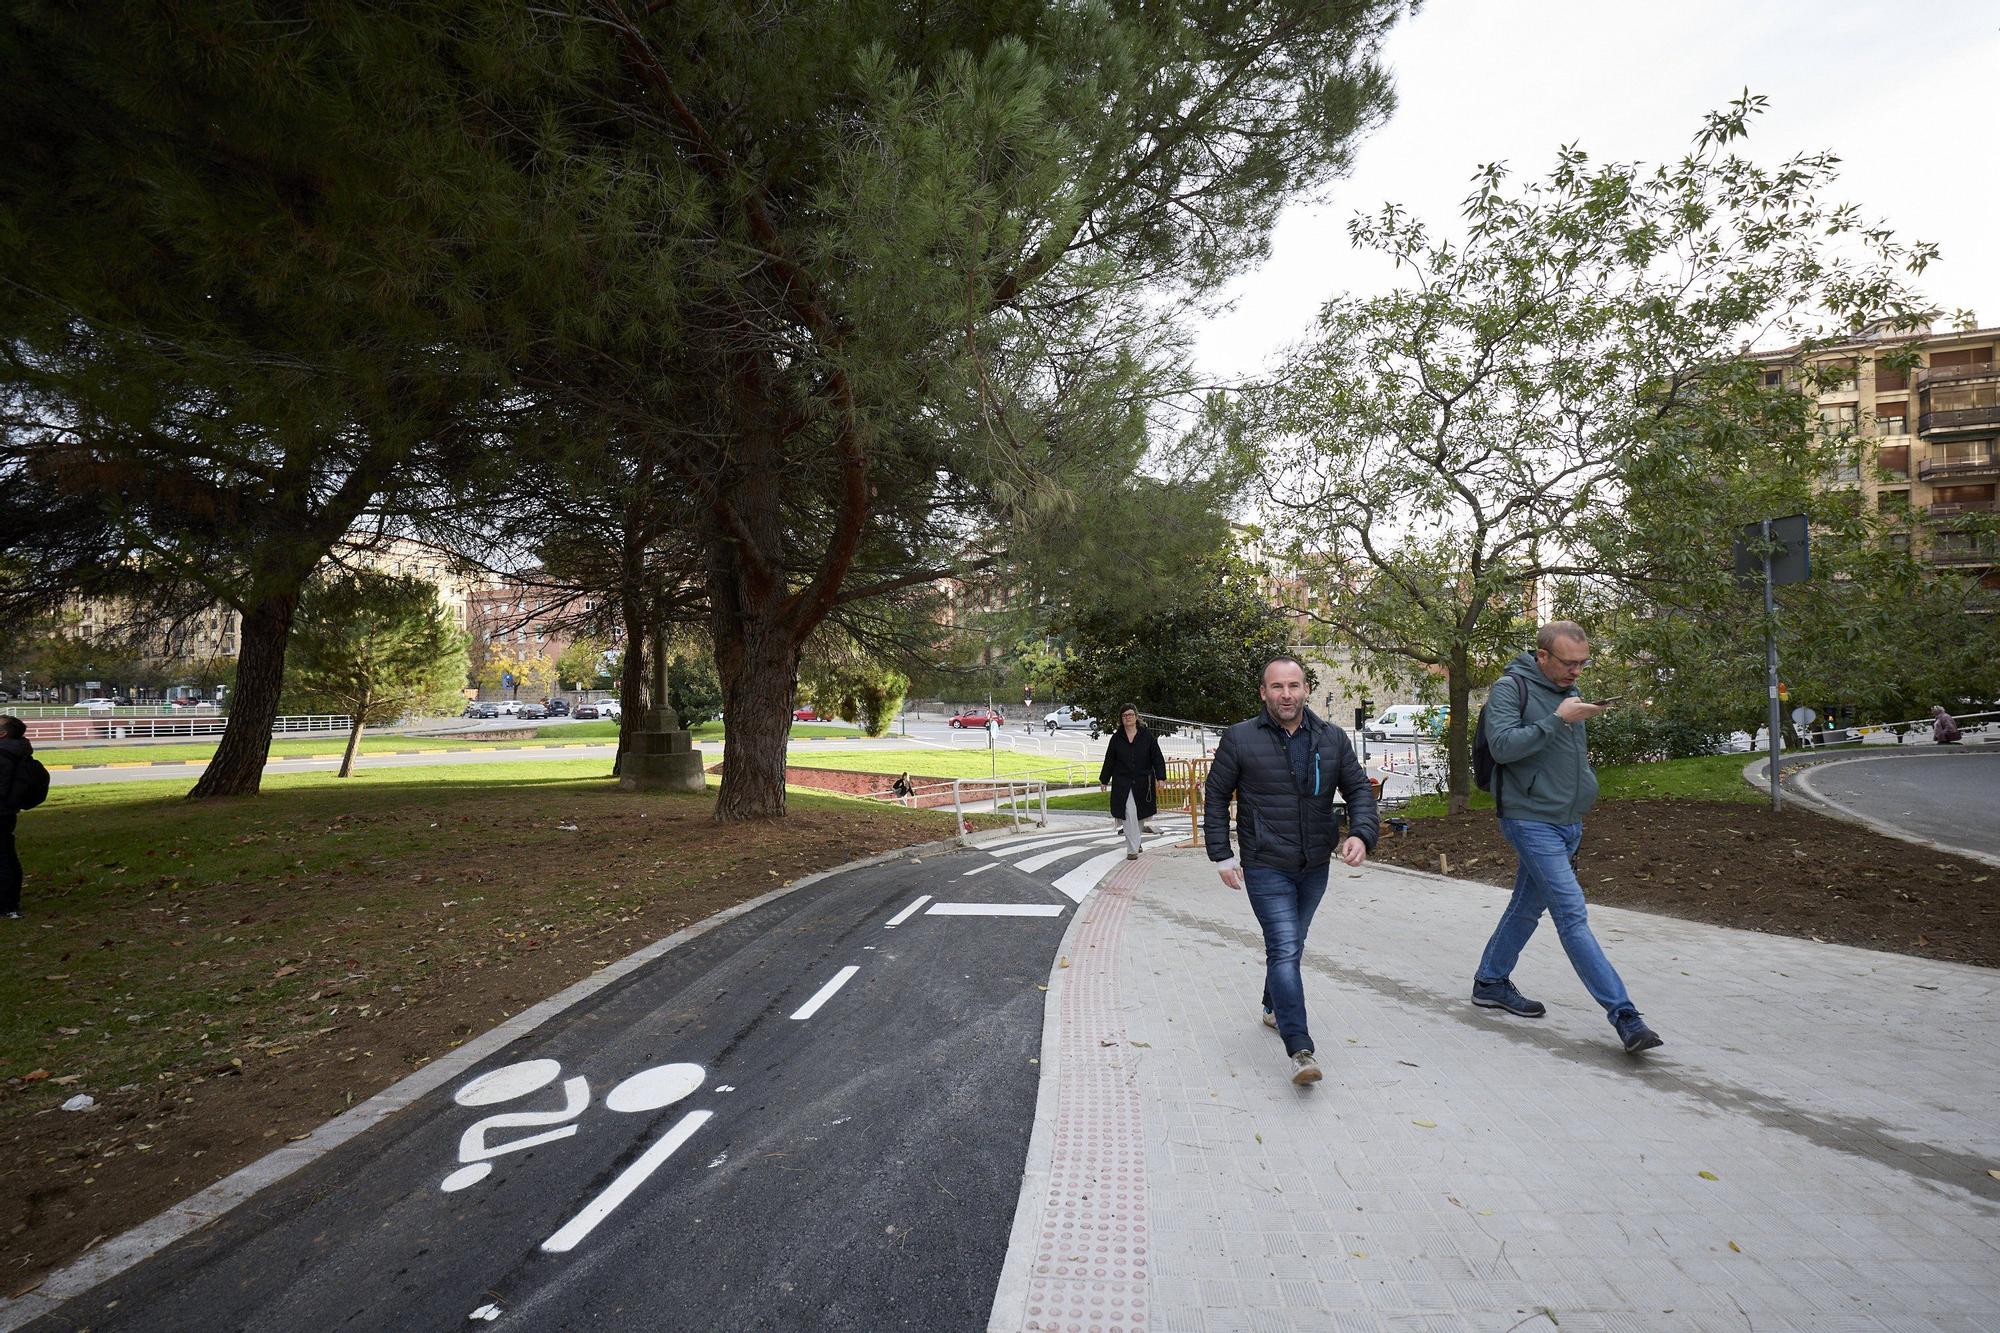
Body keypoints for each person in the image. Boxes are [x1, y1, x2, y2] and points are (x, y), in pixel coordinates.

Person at [1472, 622, 1662, 1054]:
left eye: (1582, 663)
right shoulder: (1510, 689)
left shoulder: (1568, 691)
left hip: (1568, 820)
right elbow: (1503, 747)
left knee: (1526, 906)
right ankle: (1625, 1016)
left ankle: (1490, 982)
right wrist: (1557, 720)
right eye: (1568, 663)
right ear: (1542, 656)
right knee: (1572, 914)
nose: (1577, 671)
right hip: (1529, 818)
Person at [1203, 657, 1377, 1086]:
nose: (1286, 694)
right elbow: (1216, 795)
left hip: (1315, 865)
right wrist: (1222, 855)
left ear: (1306, 690)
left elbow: (1358, 788)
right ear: (1264, 692)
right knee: (1284, 947)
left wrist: (1361, 834)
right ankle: (1300, 1049)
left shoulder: (1331, 738)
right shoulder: (1241, 738)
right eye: (1277, 687)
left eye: (1294, 686)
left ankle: (1271, 1006)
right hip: (1265, 863)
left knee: (1293, 943)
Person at [1098, 705, 1167, 859]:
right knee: (1129, 812)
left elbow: (1157, 757)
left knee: (1140, 815)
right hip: (1123, 782)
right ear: (1121, 719)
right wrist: (1104, 780)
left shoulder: (1146, 736)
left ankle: (1136, 841)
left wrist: (1161, 777)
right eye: (1124, 715)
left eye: (1130, 714)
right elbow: (1110, 760)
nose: (1127, 717)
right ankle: (1132, 850)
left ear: (1136, 717)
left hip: (1143, 781)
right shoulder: (1116, 738)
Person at [0, 715, 33, 920]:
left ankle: (6, 904)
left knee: (3, 858)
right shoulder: (17, 750)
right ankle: (10, 901)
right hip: (7, 812)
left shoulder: (4, 755)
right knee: (7, 855)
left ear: (3, 734)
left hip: (1, 811)